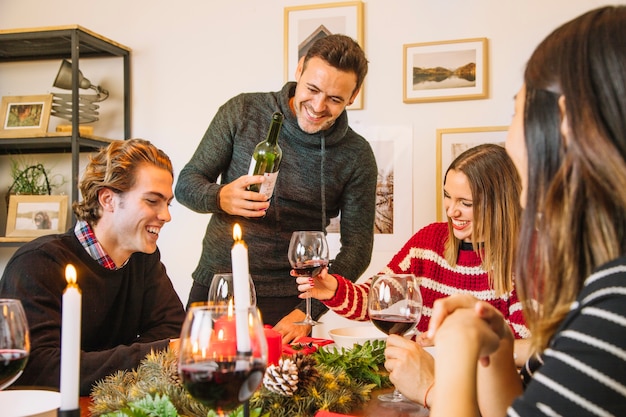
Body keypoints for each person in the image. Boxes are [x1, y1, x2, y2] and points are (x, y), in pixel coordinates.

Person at [425, 6, 626, 416]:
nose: (509, 137)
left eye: (515, 112)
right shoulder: (603, 283)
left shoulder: (616, 302)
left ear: (566, 121)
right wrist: (497, 345)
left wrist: (451, 362)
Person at [175, 34, 378, 343]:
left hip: (292, 301)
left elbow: (358, 248)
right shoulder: (243, 111)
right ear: (299, 70)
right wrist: (219, 197)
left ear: (354, 96)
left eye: (335, 99)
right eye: (312, 89)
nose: (319, 106)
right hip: (219, 285)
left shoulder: (356, 155)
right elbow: (186, 184)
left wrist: (308, 309)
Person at [297, 143, 530, 406]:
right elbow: (379, 299)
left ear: (501, 203)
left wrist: (447, 345)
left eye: (466, 203)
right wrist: (333, 289)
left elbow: (525, 349)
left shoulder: (527, 260)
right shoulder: (429, 241)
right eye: (447, 196)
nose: (452, 211)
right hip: (421, 397)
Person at [0, 139, 186, 395]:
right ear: (108, 199)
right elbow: (39, 369)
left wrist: (89, 363)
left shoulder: (144, 259)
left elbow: (173, 330)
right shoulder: (37, 263)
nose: (166, 215)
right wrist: (144, 355)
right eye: (153, 201)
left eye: (167, 203)